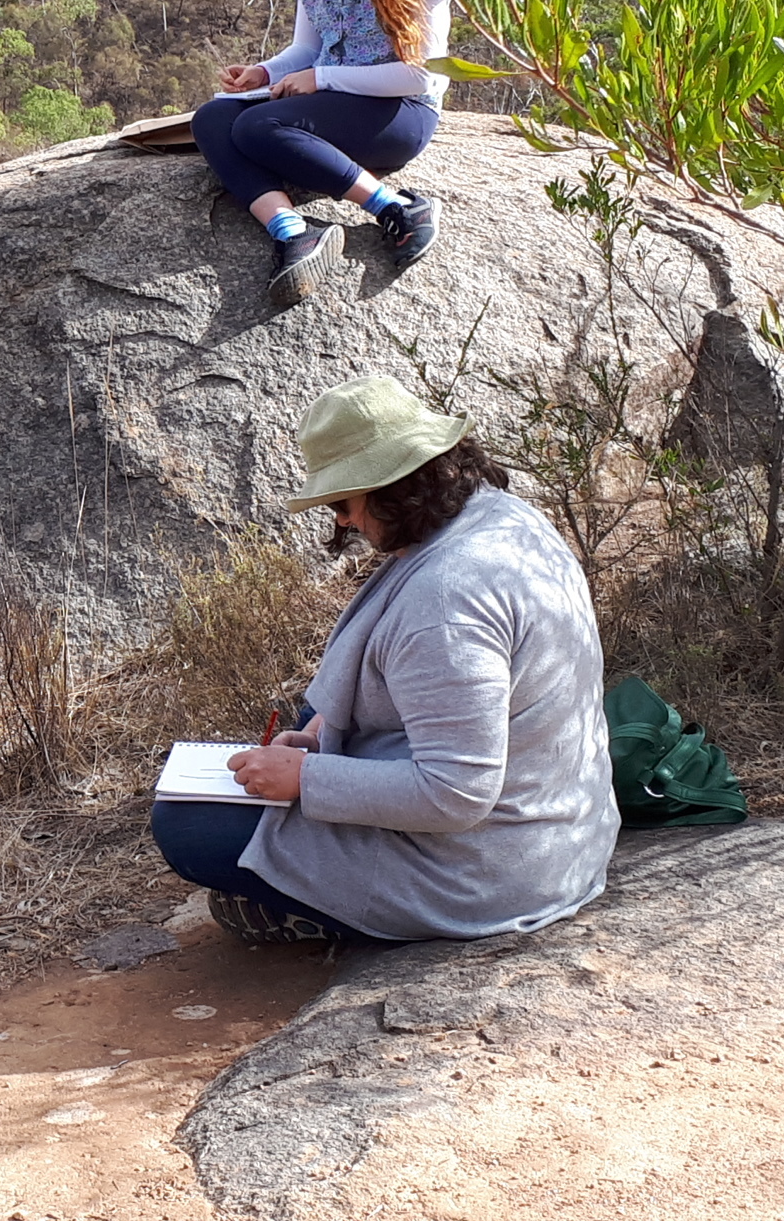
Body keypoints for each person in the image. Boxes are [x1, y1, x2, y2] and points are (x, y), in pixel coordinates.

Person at [148, 374, 618, 945]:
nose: (342, 521)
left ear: (391, 486)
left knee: (188, 824)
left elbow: (457, 794)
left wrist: (308, 777)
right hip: (564, 832)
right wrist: (322, 737)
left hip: (490, 871)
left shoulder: (445, 601)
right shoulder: (506, 518)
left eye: (344, 502)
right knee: (309, 722)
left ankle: (331, 915)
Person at [192, 0, 455, 308]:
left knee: (258, 127)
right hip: (334, 101)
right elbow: (307, 49)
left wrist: (323, 80)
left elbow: (420, 74)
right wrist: (264, 72)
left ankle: (398, 210)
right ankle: (294, 233)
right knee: (212, 118)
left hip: (400, 109)